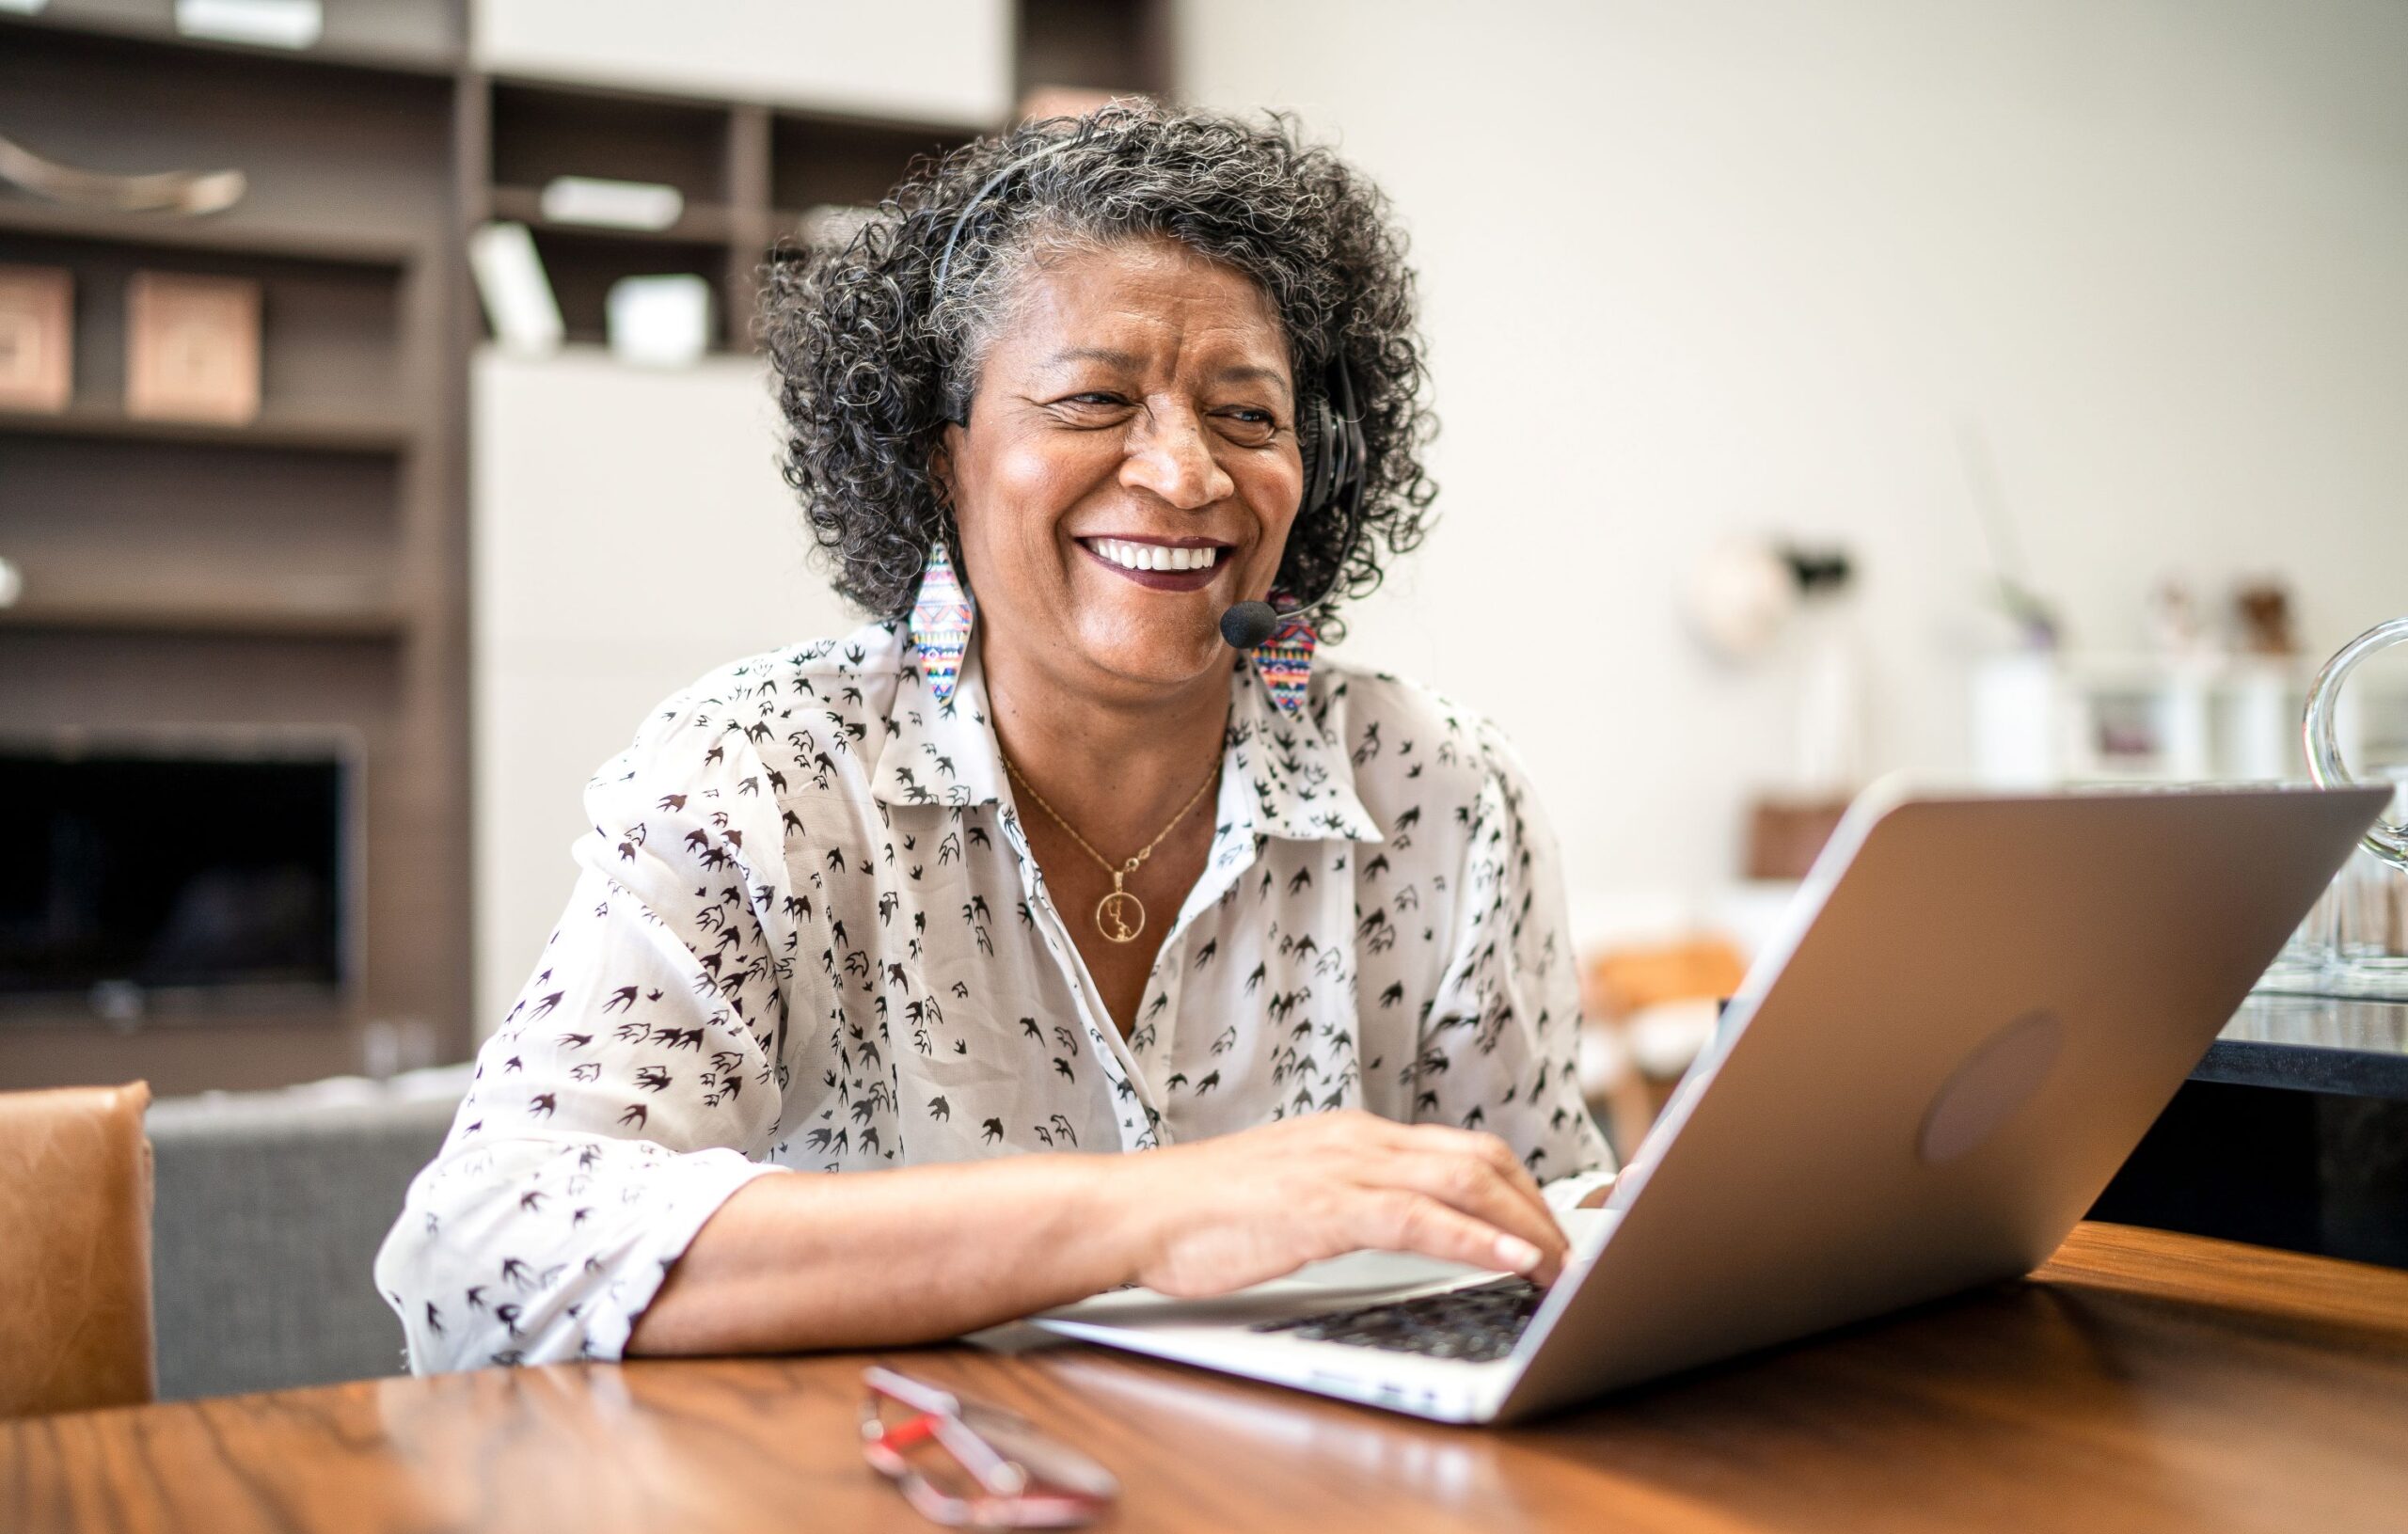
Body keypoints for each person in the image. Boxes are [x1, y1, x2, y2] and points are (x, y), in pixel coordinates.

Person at [375, 103, 1615, 1371]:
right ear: (938, 458)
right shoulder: (759, 778)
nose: (1186, 474)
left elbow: (1544, 1241)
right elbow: (480, 1262)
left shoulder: (1442, 795)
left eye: (1247, 416)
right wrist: (1148, 1215)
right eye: (1094, 398)